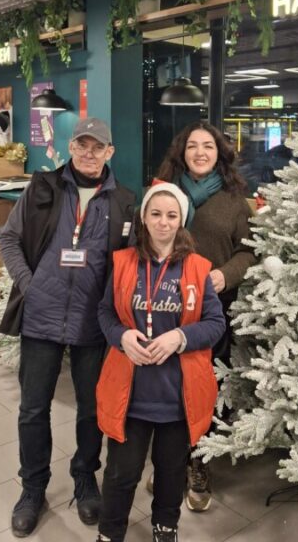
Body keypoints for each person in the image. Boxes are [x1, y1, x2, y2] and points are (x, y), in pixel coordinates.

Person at [0, 117, 136, 537]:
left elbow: (128, 263)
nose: (89, 154)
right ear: (71, 148)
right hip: (42, 317)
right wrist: (30, 285)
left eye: (98, 147)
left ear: (110, 152)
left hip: (93, 323)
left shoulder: (124, 201)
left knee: (91, 409)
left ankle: (84, 477)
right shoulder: (43, 187)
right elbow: (10, 239)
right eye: (82, 145)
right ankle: (33, 487)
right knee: (33, 408)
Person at [95, 183, 225, 542]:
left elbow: (215, 324)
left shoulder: (197, 268)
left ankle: (165, 528)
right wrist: (121, 336)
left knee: (170, 473)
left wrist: (179, 338)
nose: (163, 222)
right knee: (121, 473)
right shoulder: (124, 262)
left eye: (171, 215)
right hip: (131, 396)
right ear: (144, 218)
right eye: (155, 214)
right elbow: (105, 313)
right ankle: (110, 532)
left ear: (181, 221)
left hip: (177, 397)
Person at [156, 121, 256, 512]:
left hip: (213, 311)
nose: (200, 152)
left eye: (208, 146)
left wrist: (225, 275)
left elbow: (249, 251)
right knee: (167, 386)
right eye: (193, 146)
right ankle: (168, 462)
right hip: (165, 307)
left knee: (206, 389)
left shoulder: (234, 200)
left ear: (219, 154)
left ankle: (200, 461)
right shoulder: (164, 191)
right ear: (182, 152)